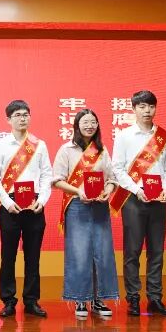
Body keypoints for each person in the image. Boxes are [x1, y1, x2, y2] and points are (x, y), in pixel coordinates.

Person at [111, 90, 166, 317]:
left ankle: (155, 298)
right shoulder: (124, 136)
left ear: (155, 108)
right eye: (142, 106)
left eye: (150, 106)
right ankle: (133, 298)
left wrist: (165, 188)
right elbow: (117, 168)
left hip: (159, 199)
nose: (147, 110)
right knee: (132, 251)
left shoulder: (163, 137)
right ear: (133, 109)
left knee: (156, 251)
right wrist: (137, 189)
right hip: (134, 199)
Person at [0, 100, 53, 318]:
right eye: (17, 115)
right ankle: (8, 300)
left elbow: (47, 175)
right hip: (10, 204)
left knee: (33, 257)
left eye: (25, 114)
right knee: (8, 256)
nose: (22, 118)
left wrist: (42, 201)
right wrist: (7, 202)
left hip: (34, 205)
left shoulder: (39, 145)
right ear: (8, 120)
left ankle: (31, 300)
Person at [53, 109, 120, 318]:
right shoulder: (66, 149)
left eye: (93, 122)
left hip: (99, 206)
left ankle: (99, 300)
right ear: (77, 125)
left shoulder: (102, 150)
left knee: (102, 252)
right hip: (76, 205)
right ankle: (80, 299)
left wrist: (107, 191)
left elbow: (112, 179)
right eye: (85, 122)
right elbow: (57, 180)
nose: (89, 126)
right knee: (79, 253)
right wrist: (78, 191)